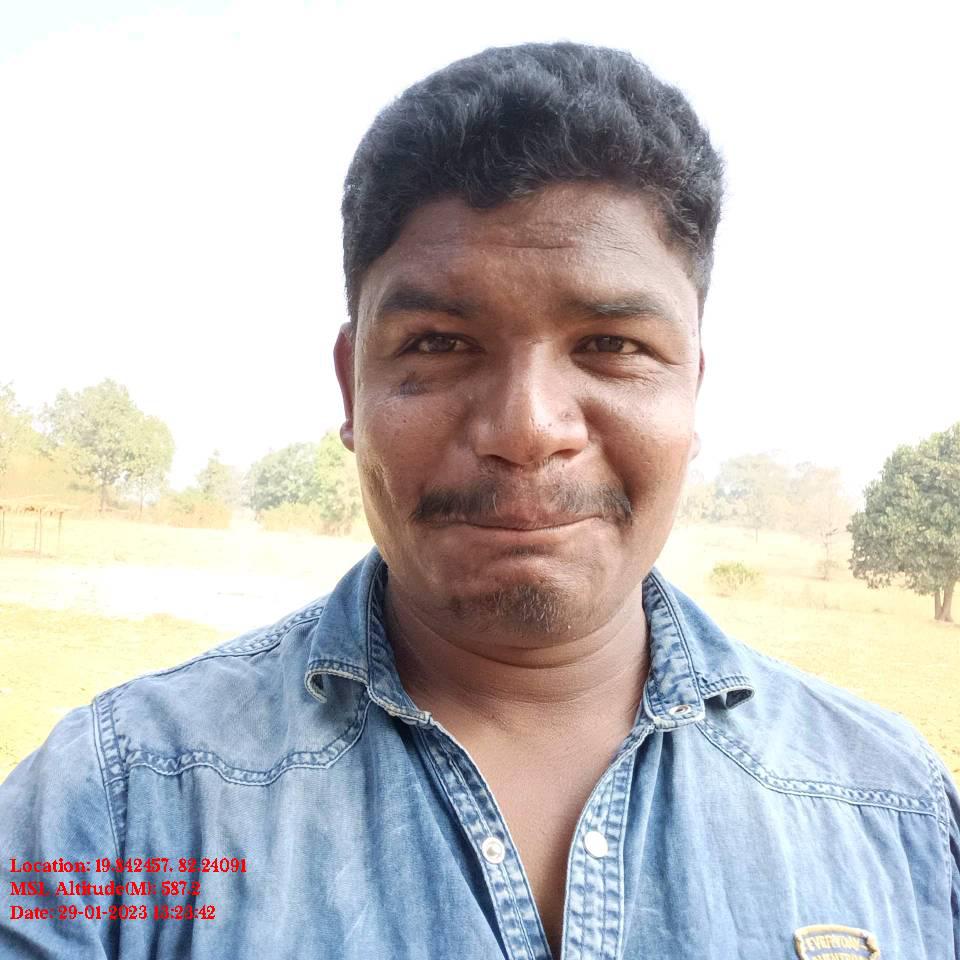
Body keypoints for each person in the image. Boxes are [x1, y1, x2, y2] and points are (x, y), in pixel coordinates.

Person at [1, 41, 957, 960]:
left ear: (691, 388)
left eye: (612, 346)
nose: (528, 428)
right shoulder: (115, 816)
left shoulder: (896, 810)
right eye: (439, 343)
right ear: (351, 389)